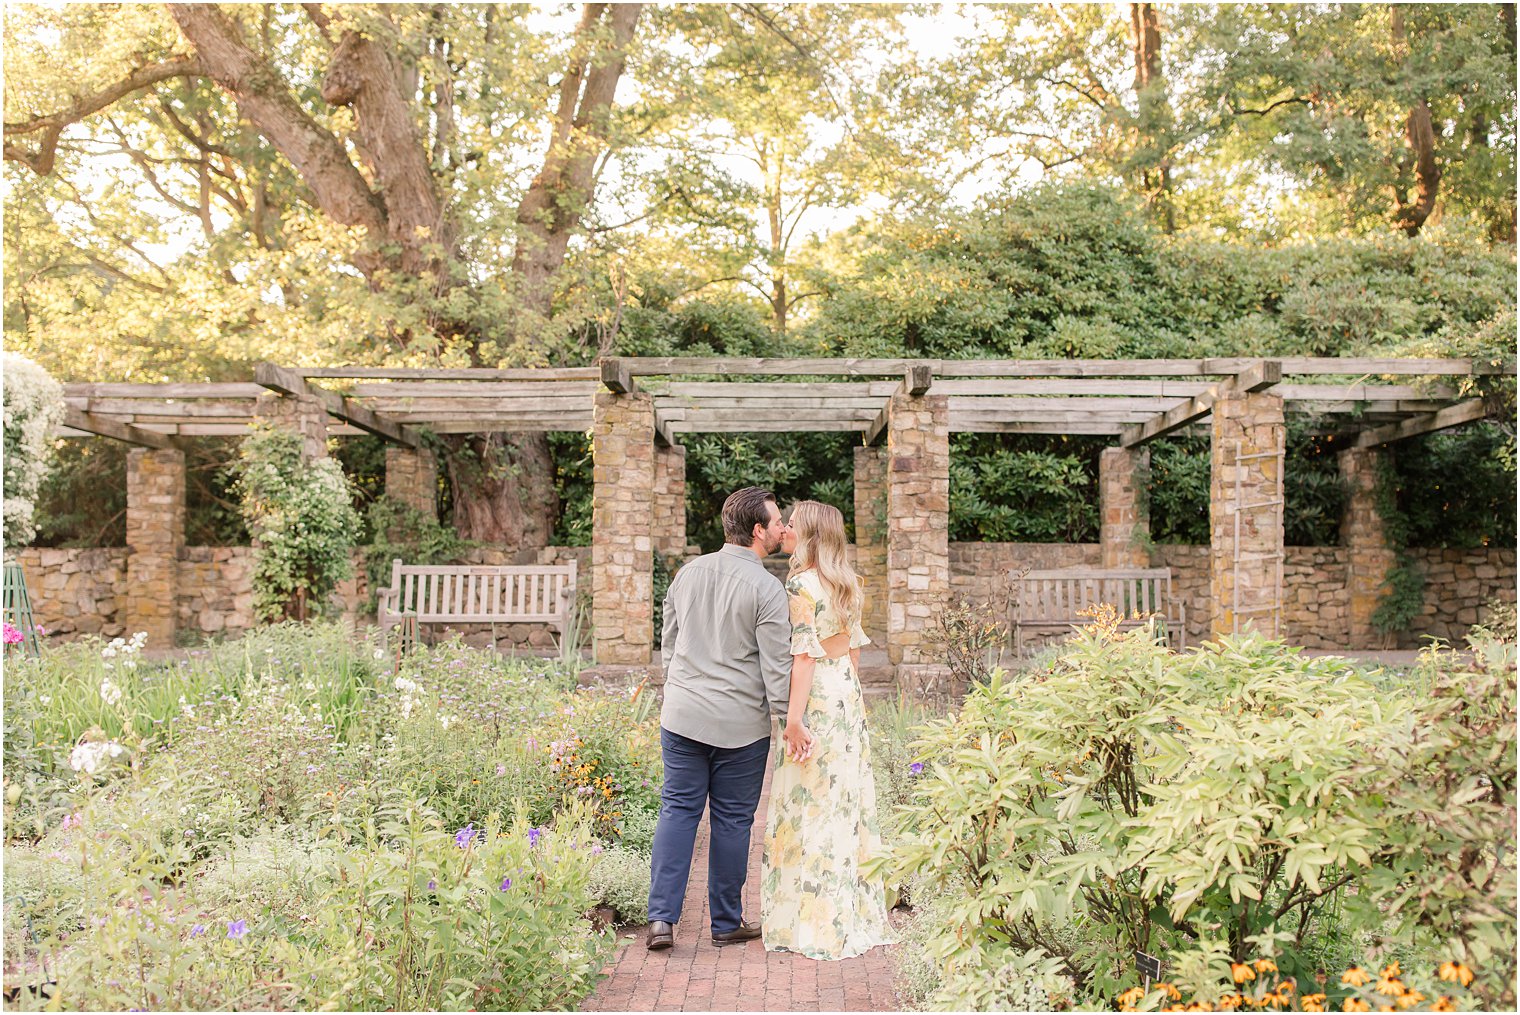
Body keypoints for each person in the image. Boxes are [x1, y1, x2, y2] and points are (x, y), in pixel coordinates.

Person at [645, 486, 806, 951]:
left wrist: (678, 691)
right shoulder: (766, 589)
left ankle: (661, 921)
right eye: (777, 522)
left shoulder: (687, 573)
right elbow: (776, 668)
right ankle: (725, 922)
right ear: (758, 531)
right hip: (740, 727)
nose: (782, 529)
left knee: (677, 810)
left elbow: (670, 645)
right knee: (733, 821)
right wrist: (789, 719)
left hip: (682, 716)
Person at [760, 500, 896, 960]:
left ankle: (815, 922)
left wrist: (794, 720)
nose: (787, 531)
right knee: (845, 802)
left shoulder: (799, 584)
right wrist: (853, 709)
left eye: (793, 526)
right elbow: (852, 654)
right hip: (846, 698)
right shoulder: (849, 584)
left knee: (810, 802)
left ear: (812, 534)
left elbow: (803, 656)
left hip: (816, 697)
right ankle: (849, 913)